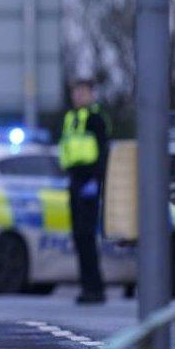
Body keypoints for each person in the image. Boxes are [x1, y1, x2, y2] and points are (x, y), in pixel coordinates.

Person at [59, 78, 110, 304]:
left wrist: (96, 180)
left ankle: (95, 288)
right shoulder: (70, 118)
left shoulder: (96, 119)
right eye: (75, 92)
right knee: (79, 236)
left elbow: (103, 152)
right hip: (75, 179)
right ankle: (86, 286)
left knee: (87, 235)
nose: (78, 96)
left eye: (82, 93)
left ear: (91, 94)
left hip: (90, 180)